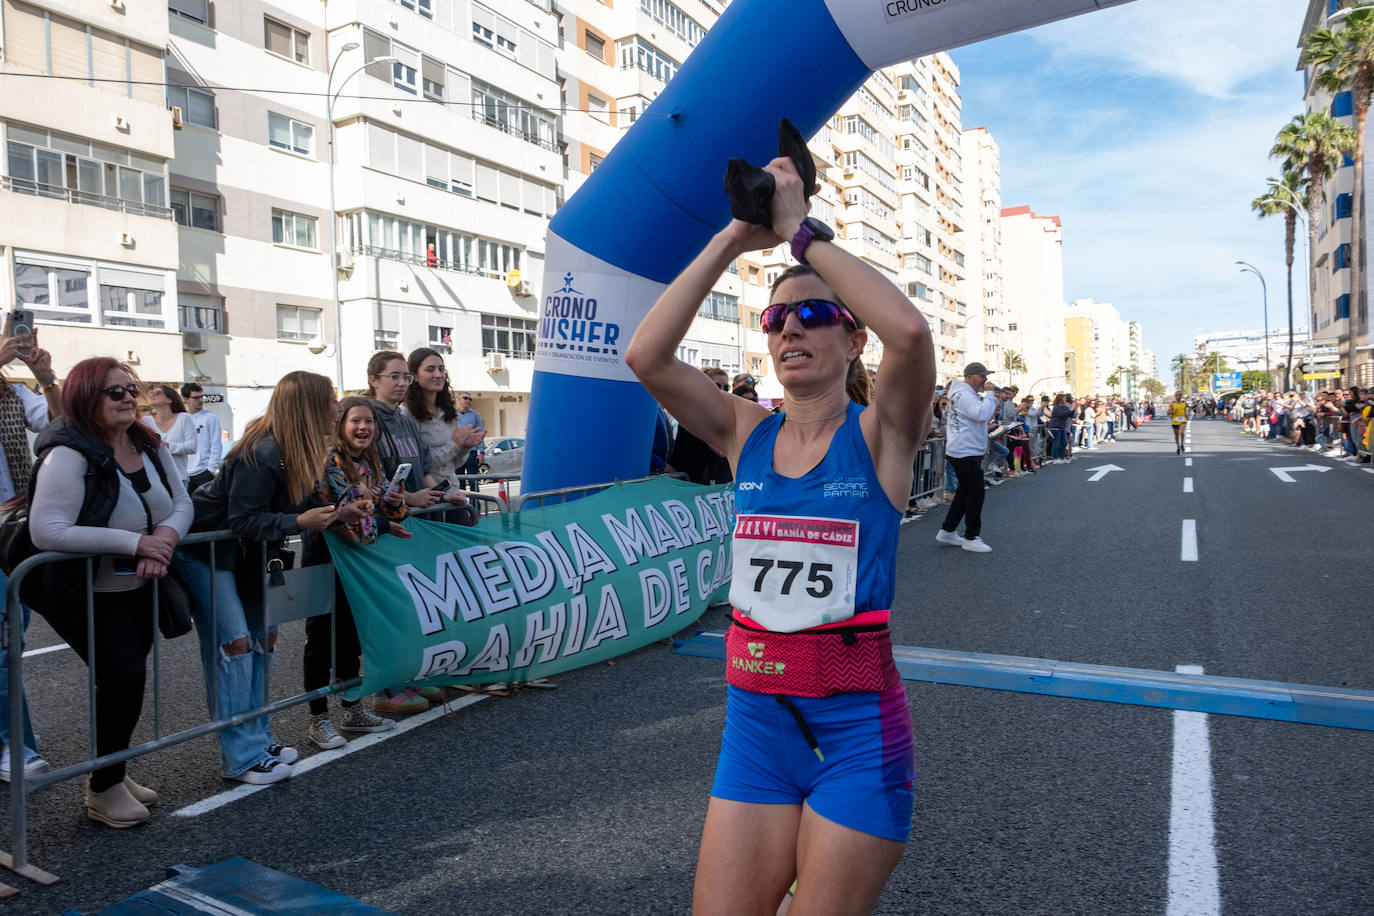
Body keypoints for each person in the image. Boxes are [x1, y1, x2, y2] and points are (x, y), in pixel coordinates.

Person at [626, 152, 934, 914]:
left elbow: (908, 330)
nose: (791, 327)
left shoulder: (882, 435)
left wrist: (802, 236)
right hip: (755, 731)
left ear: (853, 341)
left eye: (815, 315)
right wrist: (735, 237)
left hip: (856, 735)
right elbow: (646, 355)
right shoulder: (745, 431)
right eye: (777, 318)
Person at [28, 357, 193, 827]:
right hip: (84, 589)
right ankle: (104, 788)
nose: (128, 398)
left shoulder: (146, 442)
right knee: (123, 675)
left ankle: (110, 773)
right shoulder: (68, 453)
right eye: (115, 392)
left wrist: (163, 540)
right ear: (86, 398)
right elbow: (47, 529)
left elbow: (181, 502)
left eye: (131, 389)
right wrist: (135, 543)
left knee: (125, 678)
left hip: (138, 582)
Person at [181, 371, 360, 783]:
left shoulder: (297, 448)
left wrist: (339, 513)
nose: (338, 408)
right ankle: (241, 756)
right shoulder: (261, 451)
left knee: (263, 642)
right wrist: (299, 521)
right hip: (206, 553)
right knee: (236, 645)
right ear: (308, 408)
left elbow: (298, 504)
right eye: (331, 401)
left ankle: (258, 739)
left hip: (249, 555)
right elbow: (244, 519)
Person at [303, 397, 409, 746]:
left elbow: (386, 515)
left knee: (350, 639)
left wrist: (395, 504)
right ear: (340, 425)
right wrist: (383, 522)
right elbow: (351, 525)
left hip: (359, 565)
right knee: (321, 641)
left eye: (369, 421)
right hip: (326, 561)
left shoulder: (372, 462)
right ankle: (318, 718)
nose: (363, 427)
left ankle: (353, 710)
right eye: (355, 421)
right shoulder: (329, 462)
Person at [365, 351, 463, 712]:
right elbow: (368, 476)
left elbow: (424, 469)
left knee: (410, 604)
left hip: (409, 521)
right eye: (394, 376)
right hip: (380, 524)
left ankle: (410, 674)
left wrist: (441, 494)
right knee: (385, 607)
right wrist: (410, 497)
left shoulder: (404, 421)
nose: (402, 383)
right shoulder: (368, 418)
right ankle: (386, 688)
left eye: (405, 376)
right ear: (374, 380)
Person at [0, 318, 60, 783]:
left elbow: (59, 425)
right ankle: (14, 746)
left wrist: (46, 379)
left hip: (12, 529)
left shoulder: (13, 394)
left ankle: (14, 742)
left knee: (9, 642)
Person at [401, 347, 484, 518]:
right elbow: (419, 464)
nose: (438, 375)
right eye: (430, 369)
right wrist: (454, 444)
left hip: (453, 495)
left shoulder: (447, 411)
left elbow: (454, 464)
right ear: (414, 376)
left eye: (441, 369)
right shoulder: (406, 413)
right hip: (426, 502)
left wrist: (465, 447)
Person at [936, 362, 998, 552]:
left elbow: (974, 417)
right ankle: (971, 537)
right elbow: (982, 413)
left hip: (964, 450)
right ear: (970, 376)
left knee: (964, 493)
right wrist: (990, 395)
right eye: (982, 376)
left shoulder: (962, 393)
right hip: (965, 451)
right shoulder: (964, 394)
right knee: (976, 493)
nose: (985, 380)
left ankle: (947, 530)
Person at [668, 368, 733, 485]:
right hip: (692, 482)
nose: (722, 390)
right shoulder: (693, 411)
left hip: (713, 481)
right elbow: (722, 449)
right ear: (704, 386)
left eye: (726, 387)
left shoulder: (719, 413)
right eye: (717, 386)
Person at [141, 384, 198, 485]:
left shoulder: (184, 418)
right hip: (154, 479)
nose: (152, 395)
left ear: (169, 400)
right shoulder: (145, 421)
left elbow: (192, 447)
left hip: (179, 478)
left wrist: (168, 446)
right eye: (152, 393)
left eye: (158, 393)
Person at [181, 382, 223, 495]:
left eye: (201, 396)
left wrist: (211, 469)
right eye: (196, 397)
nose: (200, 400)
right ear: (185, 399)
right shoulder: (181, 418)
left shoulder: (210, 418)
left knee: (206, 505)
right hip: (185, 474)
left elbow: (216, 445)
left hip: (204, 472)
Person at [452, 389, 486, 492]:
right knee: (459, 480)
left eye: (470, 399)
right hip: (457, 451)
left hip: (472, 451)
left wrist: (482, 452)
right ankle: (462, 501)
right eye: (465, 398)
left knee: (473, 479)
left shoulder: (475, 415)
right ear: (458, 399)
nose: (468, 400)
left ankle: (475, 501)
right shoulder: (452, 414)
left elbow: (480, 433)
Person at [1170, 390, 1189, 454]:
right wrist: (1173, 411)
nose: (1178, 396)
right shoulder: (1172, 404)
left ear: (1181, 396)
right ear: (1175, 396)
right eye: (1177, 395)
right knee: (1176, 435)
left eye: (1180, 395)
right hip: (1175, 421)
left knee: (1181, 432)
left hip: (1183, 420)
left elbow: (1189, 408)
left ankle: (1182, 444)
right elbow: (1168, 412)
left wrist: (1187, 413)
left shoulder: (1184, 403)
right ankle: (1178, 447)